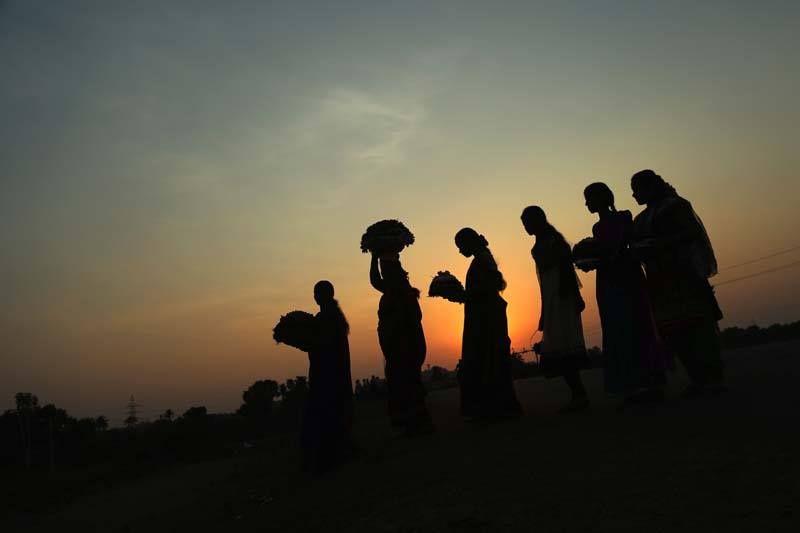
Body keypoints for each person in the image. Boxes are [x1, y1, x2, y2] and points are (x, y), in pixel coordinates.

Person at [630, 170, 725, 397]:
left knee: (698, 328)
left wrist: (661, 244)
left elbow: (691, 233)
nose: (634, 195)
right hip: (658, 282)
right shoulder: (640, 219)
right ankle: (697, 379)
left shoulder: (676, 206)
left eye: (637, 189)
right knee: (673, 331)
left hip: (684, 275)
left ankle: (713, 379)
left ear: (651, 187)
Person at [581, 183, 668, 405]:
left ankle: (649, 383)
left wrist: (605, 257)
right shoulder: (597, 227)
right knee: (616, 329)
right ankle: (630, 386)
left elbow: (626, 247)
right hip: (608, 280)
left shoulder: (624, 218)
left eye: (589, 198)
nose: (587, 203)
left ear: (602, 198)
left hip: (627, 278)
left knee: (636, 325)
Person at [521, 207, 590, 413]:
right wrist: (543, 311)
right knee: (560, 345)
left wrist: (575, 297)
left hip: (563, 296)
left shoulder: (554, 242)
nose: (525, 227)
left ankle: (579, 395)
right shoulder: (540, 244)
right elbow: (542, 282)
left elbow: (567, 271)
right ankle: (578, 394)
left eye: (527, 222)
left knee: (565, 344)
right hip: (552, 297)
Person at [452, 228, 522, 419]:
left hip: (487, 319)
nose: (460, 251)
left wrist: (462, 295)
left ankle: (493, 408)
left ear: (469, 243)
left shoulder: (482, 260)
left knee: (487, 359)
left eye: (460, 246)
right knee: (488, 359)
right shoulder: (482, 258)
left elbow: (490, 288)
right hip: (484, 316)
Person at [370, 252, 433, 435]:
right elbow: (375, 280)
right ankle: (410, 423)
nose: (383, 274)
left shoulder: (403, 292)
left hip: (405, 348)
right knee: (400, 385)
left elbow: (413, 318)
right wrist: (374, 257)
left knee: (408, 384)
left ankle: (418, 424)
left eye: (385, 270)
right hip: (395, 348)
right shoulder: (391, 290)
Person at [301, 281, 354, 473]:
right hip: (335, 374)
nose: (314, 297)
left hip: (328, 376)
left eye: (317, 293)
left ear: (323, 295)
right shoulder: (334, 317)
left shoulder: (327, 319)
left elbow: (321, 346)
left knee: (327, 416)